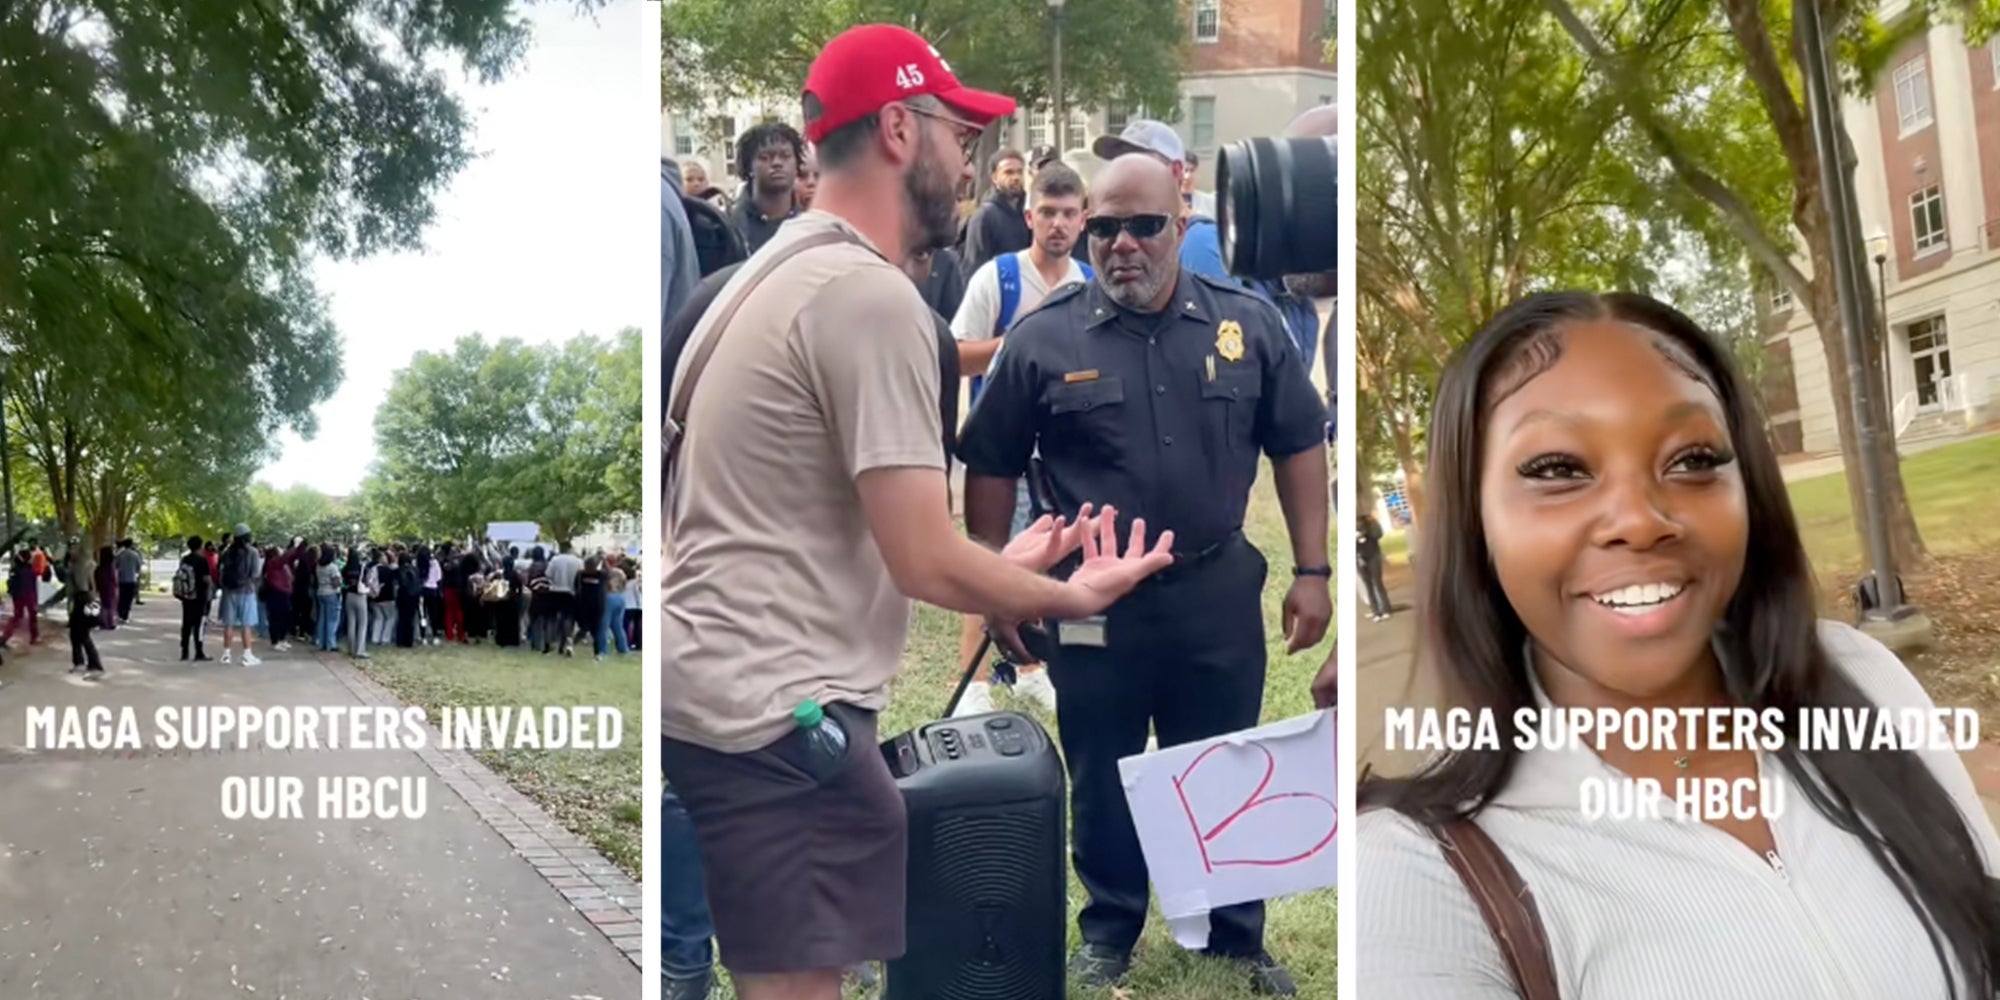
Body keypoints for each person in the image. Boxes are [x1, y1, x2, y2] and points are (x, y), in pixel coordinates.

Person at [660, 25, 1176, 1000]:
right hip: (778, 714)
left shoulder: (759, 279)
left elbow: (801, 503)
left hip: (721, 692)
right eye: (958, 135)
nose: (970, 163)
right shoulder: (869, 296)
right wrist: (1065, 593)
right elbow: (923, 561)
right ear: (900, 128)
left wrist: (1002, 557)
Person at [1356, 292, 2000, 998]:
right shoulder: (1419, 876)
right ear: (1474, 519)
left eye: (1693, 458)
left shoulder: (1859, 677)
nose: (1639, 519)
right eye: (1557, 469)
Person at [957, 153, 1331, 994]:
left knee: (1228, 762)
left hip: (1215, 588)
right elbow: (991, 461)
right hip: (1093, 600)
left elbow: (1299, 444)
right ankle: (1110, 929)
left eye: (1144, 226)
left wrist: (1314, 569)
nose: (1122, 244)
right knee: (1103, 762)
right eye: (1104, 228)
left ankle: (1235, 935)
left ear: (1184, 223)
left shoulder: (1248, 324)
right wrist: (993, 584)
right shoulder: (1042, 337)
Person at [946, 159, 1094, 717]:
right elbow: (956, 356)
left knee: (1063, 568)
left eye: (1069, 214)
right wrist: (1019, 343)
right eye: (1048, 212)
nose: (1058, 223)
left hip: (1068, 453)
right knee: (989, 564)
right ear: (1029, 216)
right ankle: (976, 686)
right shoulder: (998, 278)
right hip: (1004, 454)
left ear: (1084, 220)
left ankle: (1036, 669)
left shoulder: (1089, 284)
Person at [727, 122, 808, 253]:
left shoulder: (810, 225)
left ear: (797, 164)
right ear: (749, 166)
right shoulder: (727, 226)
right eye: (765, 157)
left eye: (785, 156)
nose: (777, 163)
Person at [959, 147, 1030, 272]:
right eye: (1008, 172)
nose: (1016, 177)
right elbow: (974, 267)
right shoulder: (984, 216)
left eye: (1019, 172)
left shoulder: (1029, 212)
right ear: (995, 177)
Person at [216, 527, 263, 666]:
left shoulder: (226, 552)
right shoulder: (252, 552)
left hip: (229, 592)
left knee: (228, 624)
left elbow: (220, 572)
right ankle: (247, 655)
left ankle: (226, 654)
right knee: (246, 625)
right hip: (246, 591)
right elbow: (255, 573)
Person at [66, 540, 103, 679]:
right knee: (74, 634)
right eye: (70, 548)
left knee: (83, 634)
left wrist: (93, 600)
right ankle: (79, 662)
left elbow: (86, 585)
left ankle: (95, 666)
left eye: (74, 548)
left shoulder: (84, 564)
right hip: (78, 599)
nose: (71, 551)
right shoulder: (74, 564)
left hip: (84, 599)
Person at [176, 536, 214, 661]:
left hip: (187, 595)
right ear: (200, 546)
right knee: (199, 624)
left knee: (186, 623)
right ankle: (199, 651)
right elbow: (206, 579)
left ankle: (184, 651)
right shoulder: (202, 560)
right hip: (199, 596)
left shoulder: (184, 559)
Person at [545, 541, 583, 656]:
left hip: (555, 590)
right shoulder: (578, 561)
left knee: (553, 618)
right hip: (571, 592)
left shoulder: (555, 560)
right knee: (568, 618)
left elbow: (548, 575)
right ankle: (567, 642)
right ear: (570, 548)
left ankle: (550, 642)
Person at [2, 549, 40, 648]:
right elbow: (33, 585)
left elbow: (10, 584)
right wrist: (35, 600)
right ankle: (34, 637)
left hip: (18, 596)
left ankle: (5, 637)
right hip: (28, 595)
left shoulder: (15, 570)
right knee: (31, 615)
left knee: (17, 617)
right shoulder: (30, 570)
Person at [1357, 511, 1391, 621]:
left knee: (1377, 582)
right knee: (1368, 585)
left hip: (1373, 555)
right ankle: (1375, 611)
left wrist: (1371, 524)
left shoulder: (1369, 522)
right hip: (1359, 557)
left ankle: (1385, 609)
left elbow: (1378, 534)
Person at [262, 544, 295, 651]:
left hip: (284, 592)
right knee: (276, 617)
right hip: (276, 592)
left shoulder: (279, 565)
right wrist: (295, 547)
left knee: (285, 616)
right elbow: (285, 558)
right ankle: (275, 640)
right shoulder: (274, 563)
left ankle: (281, 638)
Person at [314, 543, 342, 652]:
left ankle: (321, 642)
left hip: (321, 591)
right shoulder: (333, 567)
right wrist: (339, 581)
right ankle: (331, 643)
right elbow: (336, 583)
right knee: (332, 619)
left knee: (322, 618)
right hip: (331, 593)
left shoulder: (318, 566)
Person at [114, 538, 143, 622]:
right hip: (132, 579)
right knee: (129, 598)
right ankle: (126, 615)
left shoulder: (120, 555)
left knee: (122, 597)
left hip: (121, 579)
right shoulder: (135, 555)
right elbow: (138, 567)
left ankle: (120, 614)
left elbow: (115, 566)